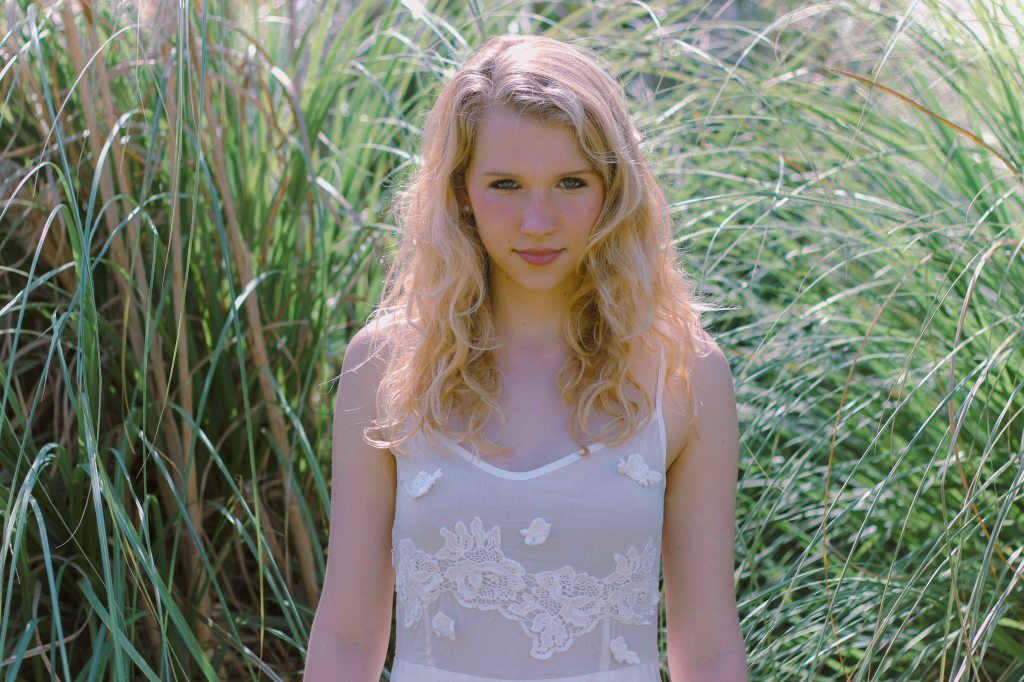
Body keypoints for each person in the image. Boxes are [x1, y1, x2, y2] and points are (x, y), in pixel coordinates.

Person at [305, 34, 747, 682]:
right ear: (460, 191)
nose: (538, 221)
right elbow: (347, 637)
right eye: (506, 185)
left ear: (613, 189)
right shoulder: (383, 366)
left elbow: (707, 651)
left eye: (570, 182)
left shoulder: (686, 372)